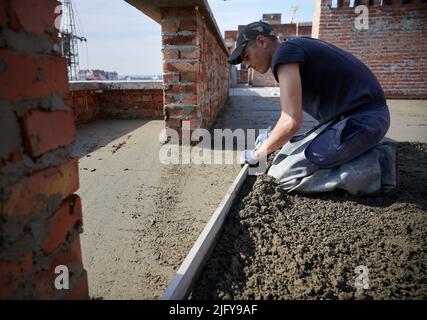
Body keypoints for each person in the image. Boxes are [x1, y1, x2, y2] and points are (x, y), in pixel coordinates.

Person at [228, 21, 394, 194]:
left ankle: (377, 167)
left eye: (246, 56)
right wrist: (270, 140)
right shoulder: (292, 47)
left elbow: (291, 121)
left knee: (281, 177)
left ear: (262, 42)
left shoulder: (284, 53)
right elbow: (289, 115)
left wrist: (257, 154)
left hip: (363, 121)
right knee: (286, 149)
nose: (247, 65)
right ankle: (363, 150)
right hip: (353, 119)